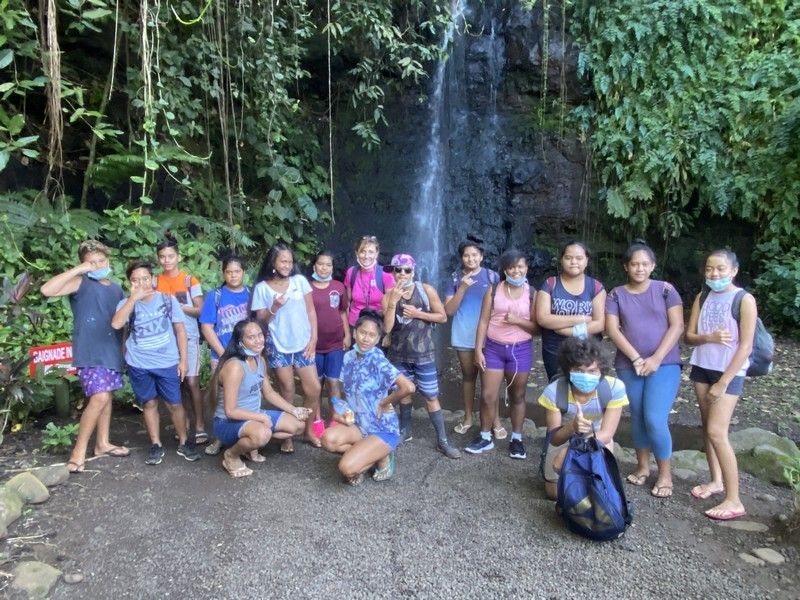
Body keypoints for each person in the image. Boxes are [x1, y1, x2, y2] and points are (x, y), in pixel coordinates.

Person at [41, 240, 130, 473]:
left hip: (112, 350)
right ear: (83, 264)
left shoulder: (116, 288)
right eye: (92, 262)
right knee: (99, 397)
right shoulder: (80, 283)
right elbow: (47, 290)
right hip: (89, 351)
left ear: (108, 260)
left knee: (106, 397)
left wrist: (123, 350)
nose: (98, 265)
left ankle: (102, 443)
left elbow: (122, 323)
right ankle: (78, 453)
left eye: (101, 260)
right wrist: (79, 269)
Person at [605, 240, 684, 498]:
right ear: (626, 267)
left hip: (665, 363)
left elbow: (677, 326)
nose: (640, 268)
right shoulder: (616, 295)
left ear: (652, 266)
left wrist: (656, 358)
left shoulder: (666, 290)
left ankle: (665, 474)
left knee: (655, 418)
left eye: (645, 264)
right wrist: (637, 358)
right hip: (629, 364)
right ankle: (642, 466)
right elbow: (612, 329)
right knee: (638, 416)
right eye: (634, 264)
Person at [685, 249, 756, 521]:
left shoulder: (744, 300)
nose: (714, 274)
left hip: (729, 373)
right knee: (707, 427)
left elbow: (746, 346)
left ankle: (734, 499)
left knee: (717, 432)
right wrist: (709, 337)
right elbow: (689, 337)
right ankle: (716, 481)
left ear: (734, 271)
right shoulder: (702, 297)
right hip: (702, 367)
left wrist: (724, 382)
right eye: (709, 269)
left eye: (720, 269)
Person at [111, 260, 200, 464]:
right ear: (129, 282)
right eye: (135, 280)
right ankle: (156, 444)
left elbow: (180, 330)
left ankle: (184, 441)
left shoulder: (167, 300)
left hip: (167, 361)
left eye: (145, 278)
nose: (141, 283)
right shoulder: (125, 304)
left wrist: (183, 361)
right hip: (139, 363)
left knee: (174, 403)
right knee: (149, 403)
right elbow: (116, 324)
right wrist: (133, 299)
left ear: (153, 279)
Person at [320, 310, 415, 484]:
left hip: (382, 428)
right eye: (363, 333)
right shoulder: (348, 357)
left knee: (346, 469)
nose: (366, 339)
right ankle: (367, 455)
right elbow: (343, 389)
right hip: (359, 424)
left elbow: (408, 387)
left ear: (378, 339)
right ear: (354, 333)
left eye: (372, 335)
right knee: (327, 440)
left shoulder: (378, 360)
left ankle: (382, 456)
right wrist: (340, 411)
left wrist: (385, 402)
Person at [381, 253, 461, 459]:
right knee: (403, 393)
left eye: (406, 270)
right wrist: (393, 303)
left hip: (424, 354)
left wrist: (418, 314)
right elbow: (387, 328)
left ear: (413, 272)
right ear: (393, 272)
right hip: (398, 355)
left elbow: (442, 317)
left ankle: (443, 441)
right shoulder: (388, 295)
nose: (402, 273)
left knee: (431, 396)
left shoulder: (426, 290)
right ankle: (405, 431)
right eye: (398, 270)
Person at [210, 319, 310, 477]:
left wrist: (294, 410)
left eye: (260, 335)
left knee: (298, 425)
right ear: (240, 341)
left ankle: (250, 443)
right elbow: (230, 411)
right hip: (227, 422)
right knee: (263, 434)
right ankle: (231, 455)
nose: (258, 340)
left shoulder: (259, 359)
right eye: (251, 337)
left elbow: (269, 393)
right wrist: (261, 418)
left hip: (253, 415)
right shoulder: (235, 366)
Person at [466, 249, 538, 459]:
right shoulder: (493, 290)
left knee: (518, 395)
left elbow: (537, 329)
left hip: (520, 349)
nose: (516, 271)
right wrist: (478, 349)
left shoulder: (532, 293)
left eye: (520, 266)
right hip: (494, 348)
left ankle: (517, 439)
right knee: (488, 395)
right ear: (505, 270)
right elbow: (483, 321)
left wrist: (517, 321)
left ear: (526, 268)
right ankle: (485, 437)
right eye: (511, 267)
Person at [538, 337, 628, 500]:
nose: (586, 376)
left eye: (592, 371)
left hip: (597, 437)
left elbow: (607, 434)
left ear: (601, 371)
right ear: (568, 371)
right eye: (579, 371)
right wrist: (572, 426)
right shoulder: (553, 391)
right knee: (554, 494)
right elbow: (554, 439)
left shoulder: (614, 388)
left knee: (594, 490)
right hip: (565, 434)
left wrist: (569, 452)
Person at [251, 243, 321, 450]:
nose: (287, 265)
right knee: (287, 390)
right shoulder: (262, 288)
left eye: (290, 262)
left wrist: (314, 338)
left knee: (314, 389)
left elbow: (311, 311)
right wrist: (274, 306)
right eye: (283, 261)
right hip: (277, 344)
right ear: (273, 263)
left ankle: (308, 430)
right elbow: (260, 321)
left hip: (303, 343)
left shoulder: (300, 281)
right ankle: (288, 435)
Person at [443, 239, 505, 438]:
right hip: (464, 334)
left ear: (481, 256)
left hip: (490, 336)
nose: (471, 259)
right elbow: (448, 311)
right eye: (466, 255)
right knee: (469, 377)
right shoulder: (454, 278)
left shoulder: (492, 277)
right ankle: (468, 418)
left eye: (475, 255)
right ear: (461, 258)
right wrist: (462, 288)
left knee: (491, 382)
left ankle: (495, 420)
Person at [154, 234, 207, 444]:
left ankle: (200, 425)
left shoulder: (189, 280)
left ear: (179, 257)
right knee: (177, 381)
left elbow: (200, 310)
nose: (166, 260)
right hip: (166, 339)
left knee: (192, 381)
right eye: (162, 256)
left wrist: (179, 307)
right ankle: (183, 423)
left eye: (170, 256)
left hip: (190, 336)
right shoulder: (155, 281)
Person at [199, 254, 251, 456]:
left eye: (237, 271)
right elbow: (207, 327)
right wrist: (224, 354)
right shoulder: (215, 296)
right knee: (220, 398)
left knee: (246, 396)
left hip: (248, 356)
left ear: (244, 272)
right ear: (223, 274)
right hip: (220, 356)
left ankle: (246, 437)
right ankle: (218, 438)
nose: (233, 275)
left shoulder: (251, 295)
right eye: (229, 272)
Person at [535, 241, 606, 381]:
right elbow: (543, 319)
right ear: (561, 259)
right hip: (554, 350)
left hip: (588, 350)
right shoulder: (550, 284)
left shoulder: (596, 287)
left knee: (585, 389)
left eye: (579, 258)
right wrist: (582, 318)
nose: (574, 262)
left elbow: (600, 324)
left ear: (587, 260)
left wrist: (567, 331)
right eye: (568, 257)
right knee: (557, 387)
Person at [308, 250, 351, 415]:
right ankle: (317, 420)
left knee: (333, 382)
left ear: (332, 268)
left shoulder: (338, 287)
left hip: (335, 344)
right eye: (320, 264)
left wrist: (347, 335)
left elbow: (342, 311)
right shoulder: (306, 288)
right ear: (314, 266)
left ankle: (335, 417)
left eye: (328, 265)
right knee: (316, 385)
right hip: (314, 346)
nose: (324, 268)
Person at [344, 235, 395, 330]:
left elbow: (390, 306)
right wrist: (346, 329)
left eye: (371, 252)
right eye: (363, 251)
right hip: (355, 325)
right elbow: (347, 302)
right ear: (357, 253)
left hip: (377, 326)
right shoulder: (351, 272)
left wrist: (387, 332)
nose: (366, 256)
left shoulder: (385, 274)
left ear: (376, 254)